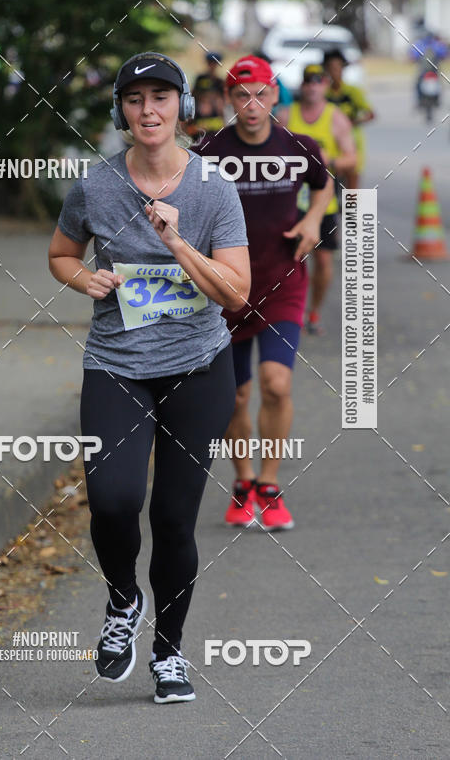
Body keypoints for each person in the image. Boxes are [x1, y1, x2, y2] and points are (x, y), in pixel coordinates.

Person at [48, 51, 250, 703]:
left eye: (161, 97)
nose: (148, 110)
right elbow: (61, 253)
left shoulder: (213, 188)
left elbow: (237, 294)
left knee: (173, 518)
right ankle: (122, 599)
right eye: (135, 99)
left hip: (199, 367)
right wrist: (84, 279)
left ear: (182, 108)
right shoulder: (96, 186)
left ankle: (168, 653)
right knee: (112, 501)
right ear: (121, 111)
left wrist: (179, 244)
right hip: (116, 365)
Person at [196, 55, 333, 530]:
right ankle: (243, 482)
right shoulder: (207, 150)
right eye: (241, 95)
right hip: (226, 289)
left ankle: (270, 487)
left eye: (260, 95)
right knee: (236, 397)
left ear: (275, 96)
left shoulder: (299, 146)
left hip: (282, 283)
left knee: (276, 384)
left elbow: (323, 184)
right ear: (229, 98)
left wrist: (313, 220)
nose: (251, 105)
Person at [277, 64, 356, 335]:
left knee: (322, 261)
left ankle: (314, 312)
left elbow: (351, 158)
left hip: (324, 203)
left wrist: (327, 161)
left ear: (325, 85)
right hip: (290, 201)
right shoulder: (287, 115)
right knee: (290, 260)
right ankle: (289, 312)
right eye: (308, 81)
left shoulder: (336, 118)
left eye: (318, 81)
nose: (312, 86)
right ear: (302, 85)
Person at [323, 49, 374, 189]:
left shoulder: (353, 91)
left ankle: (357, 204)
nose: (335, 72)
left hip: (353, 141)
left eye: (338, 68)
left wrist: (351, 123)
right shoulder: (323, 92)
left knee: (353, 180)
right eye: (331, 68)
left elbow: (370, 114)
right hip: (331, 144)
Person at [189, 51, 225, 137]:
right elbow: (193, 94)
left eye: (214, 63)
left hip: (214, 117)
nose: (212, 65)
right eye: (210, 63)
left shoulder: (220, 81)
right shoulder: (200, 78)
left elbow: (222, 100)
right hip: (199, 116)